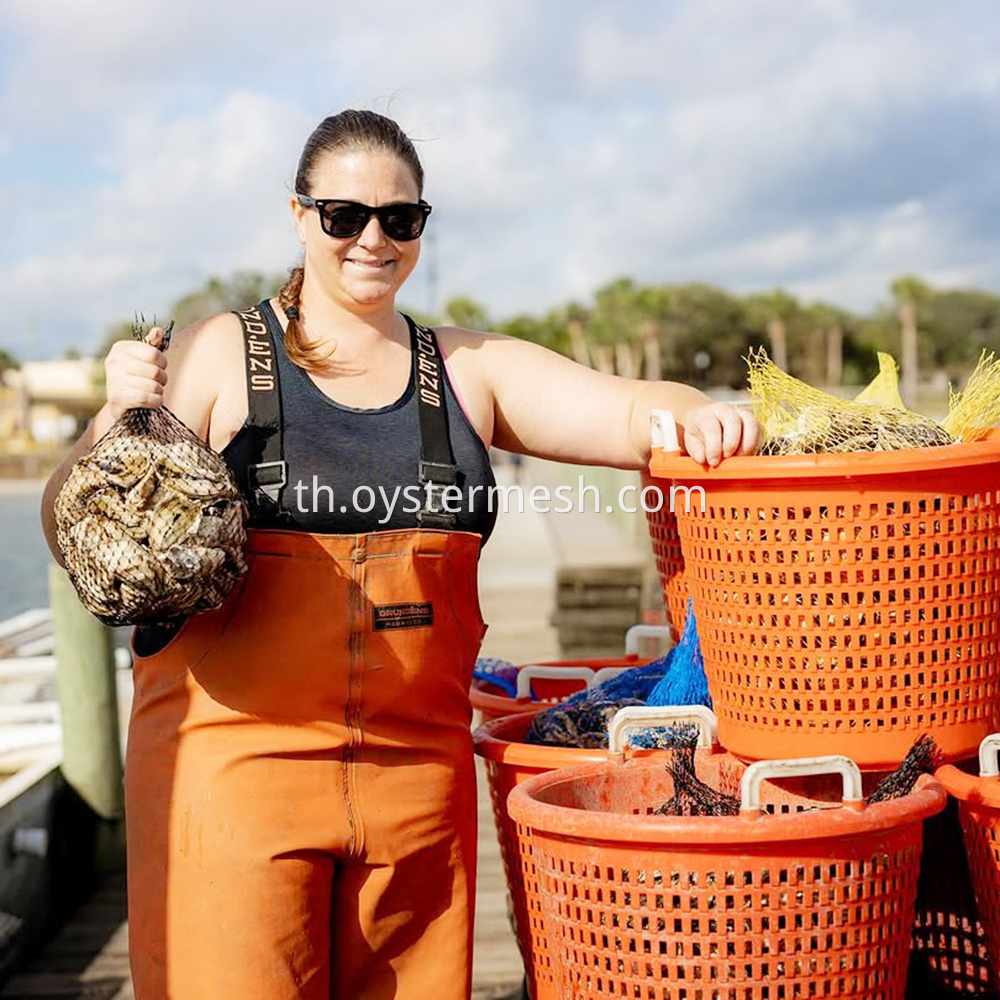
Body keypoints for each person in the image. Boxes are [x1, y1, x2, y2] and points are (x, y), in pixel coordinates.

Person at [40, 109, 759, 999]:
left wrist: (697, 412)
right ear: (300, 216)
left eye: (400, 219)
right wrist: (114, 419)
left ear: (421, 224)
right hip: (231, 784)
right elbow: (72, 526)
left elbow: (623, 411)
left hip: (417, 788)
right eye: (344, 216)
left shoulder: (464, 370)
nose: (372, 239)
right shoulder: (222, 355)